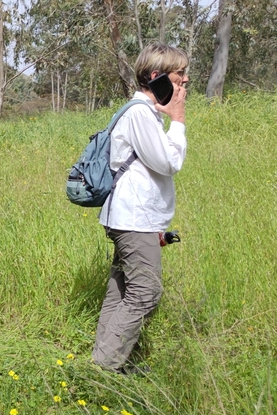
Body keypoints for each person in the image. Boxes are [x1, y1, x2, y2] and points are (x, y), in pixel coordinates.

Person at [91, 43, 189, 374]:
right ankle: (105, 368)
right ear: (155, 76)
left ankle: (103, 363)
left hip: (132, 218)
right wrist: (177, 119)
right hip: (133, 221)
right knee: (145, 293)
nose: (185, 82)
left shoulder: (143, 113)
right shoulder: (139, 114)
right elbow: (169, 162)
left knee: (121, 291)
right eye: (179, 75)